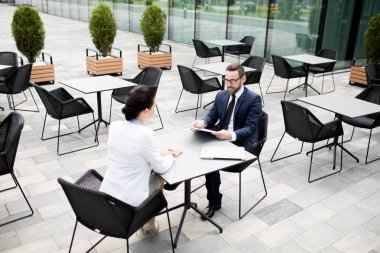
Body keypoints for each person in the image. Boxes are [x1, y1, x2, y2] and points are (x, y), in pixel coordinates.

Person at [100, 85, 182, 234]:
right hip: (130, 203)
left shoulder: (115, 126)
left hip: (107, 197)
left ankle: (150, 223)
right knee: (158, 177)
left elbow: (131, 153)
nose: (155, 108)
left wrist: (160, 153)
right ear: (146, 111)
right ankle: (150, 223)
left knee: (150, 168)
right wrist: (171, 155)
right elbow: (161, 167)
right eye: (154, 105)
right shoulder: (146, 134)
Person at [191, 63, 262, 219]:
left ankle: (214, 201)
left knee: (210, 162)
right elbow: (212, 115)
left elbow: (250, 128)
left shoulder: (254, 99)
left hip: (240, 142)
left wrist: (229, 135)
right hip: (220, 137)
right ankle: (209, 190)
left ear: (243, 79)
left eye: (232, 81)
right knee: (194, 145)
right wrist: (203, 123)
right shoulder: (221, 95)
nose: (228, 84)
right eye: (226, 80)